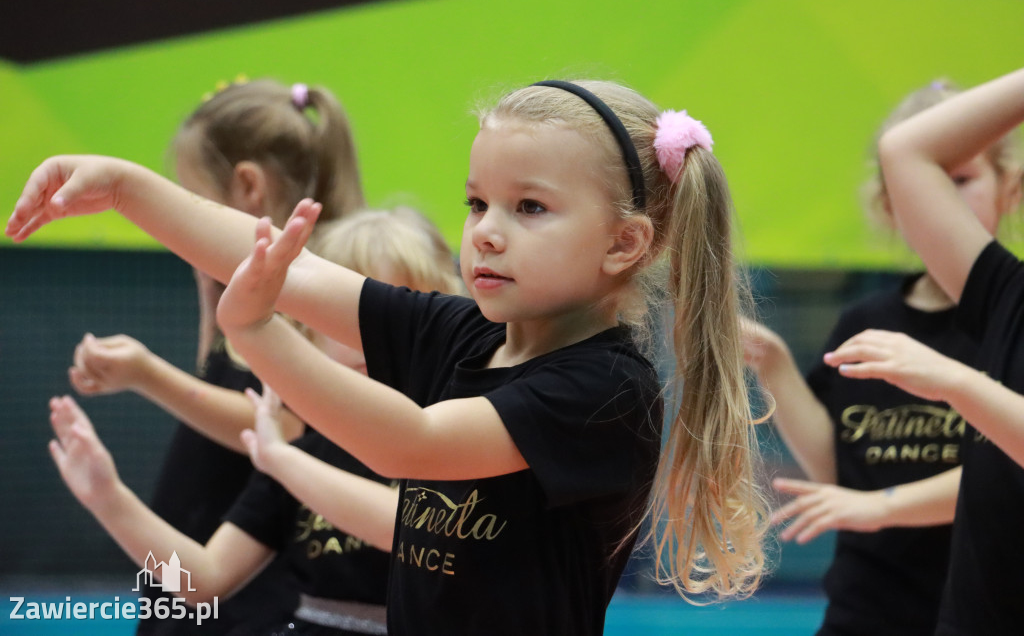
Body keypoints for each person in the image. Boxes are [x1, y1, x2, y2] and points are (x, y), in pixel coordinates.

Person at [7, 78, 769, 635]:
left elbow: (411, 444)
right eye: (477, 204)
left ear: (625, 242)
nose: (488, 231)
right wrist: (126, 187)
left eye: (529, 207)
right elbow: (293, 269)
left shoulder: (603, 387)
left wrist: (255, 335)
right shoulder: (466, 334)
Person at [46, 206, 462, 635]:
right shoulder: (302, 453)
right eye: (340, 319)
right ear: (308, 337)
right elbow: (200, 582)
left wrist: (283, 462)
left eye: (388, 321)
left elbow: (405, 527)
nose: (359, 342)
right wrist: (109, 500)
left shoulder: (461, 442)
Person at [65, 78, 366, 635]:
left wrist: (147, 375)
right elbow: (221, 372)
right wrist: (208, 289)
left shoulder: (314, 290)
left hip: (244, 575)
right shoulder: (244, 283)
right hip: (191, 538)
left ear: (248, 187)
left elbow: (281, 423)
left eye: (190, 197)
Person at [742, 80, 1023, 636]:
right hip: (868, 605)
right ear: (890, 205)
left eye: (962, 179)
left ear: (1009, 188)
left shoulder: (997, 316)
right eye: (928, 184)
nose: (942, 196)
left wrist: (887, 504)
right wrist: (773, 365)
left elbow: (998, 468)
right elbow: (843, 471)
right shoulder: (870, 321)